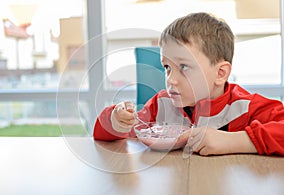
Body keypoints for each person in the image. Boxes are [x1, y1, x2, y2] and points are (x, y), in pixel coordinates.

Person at [93, 12, 284, 156]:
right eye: (167, 67)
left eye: (184, 67)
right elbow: (107, 134)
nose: (170, 79)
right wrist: (116, 121)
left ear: (220, 73)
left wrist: (234, 142)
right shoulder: (161, 105)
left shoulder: (245, 107)